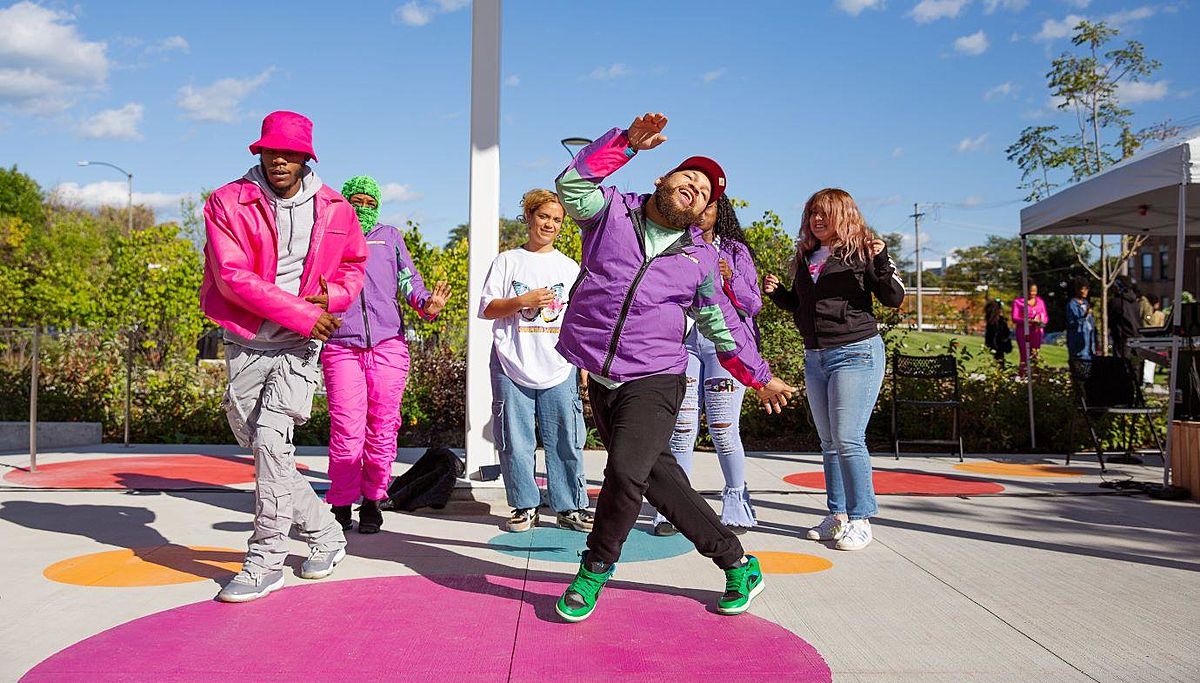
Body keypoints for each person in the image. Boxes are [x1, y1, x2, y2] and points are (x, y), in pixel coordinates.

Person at [551, 113, 795, 622]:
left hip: (657, 377)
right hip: (602, 376)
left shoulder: (700, 260)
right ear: (663, 179)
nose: (694, 187)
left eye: (705, 191)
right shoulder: (610, 213)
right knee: (658, 478)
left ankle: (594, 569)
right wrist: (624, 145)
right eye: (688, 176)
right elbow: (572, 183)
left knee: (622, 471)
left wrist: (759, 375)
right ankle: (737, 561)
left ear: (705, 211)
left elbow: (721, 325)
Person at [199, 111, 367, 603]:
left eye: (291, 153)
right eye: (271, 151)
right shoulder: (227, 202)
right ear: (259, 152)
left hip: (301, 343)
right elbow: (231, 276)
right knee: (261, 446)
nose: (280, 160)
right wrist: (301, 313)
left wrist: (334, 297)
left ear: (306, 157)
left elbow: (355, 265)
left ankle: (264, 558)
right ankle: (327, 533)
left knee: (273, 441)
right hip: (247, 338)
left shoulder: (336, 207)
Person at [764, 188, 905, 552]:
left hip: (855, 352)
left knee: (847, 438)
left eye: (825, 213)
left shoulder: (863, 252)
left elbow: (892, 298)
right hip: (816, 356)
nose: (816, 219)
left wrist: (882, 260)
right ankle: (838, 515)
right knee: (828, 443)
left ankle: (861, 519)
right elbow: (801, 306)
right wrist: (779, 293)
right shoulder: (807, 255)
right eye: (812, 213)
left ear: (844, 214)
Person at [321, 175, 451, 535]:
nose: (362, 206)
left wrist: (428, 304)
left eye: (368, 201)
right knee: (347, 429)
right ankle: (341, 502)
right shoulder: (328, 236)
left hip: (387, 345)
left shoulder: (389, 237)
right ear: (344, 202)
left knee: (382, 427)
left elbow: (410, 282)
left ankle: (373, 502)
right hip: (341, 346)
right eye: (355, 200)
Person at [479, 189, 592, 534]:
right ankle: (524, 506)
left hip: (559, 364)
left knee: (566, 438)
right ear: (529, 217)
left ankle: (570, 506)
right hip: (511, 362)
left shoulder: (569, 267)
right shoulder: (506, 261)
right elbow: (487, 308)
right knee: (515, 439)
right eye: (544, 216)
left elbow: (579, 319)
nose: (550, 224)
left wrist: (584, 365)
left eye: (557, 220)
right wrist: (522, 300)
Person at [653, 195, 763, 537]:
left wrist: (730, 278)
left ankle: (736, 503)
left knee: (723, 428)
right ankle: (674, 510)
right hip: (683, 347)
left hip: (725, 348)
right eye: (697, 207)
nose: (701, 214)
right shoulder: (674, 245)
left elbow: (753, 304)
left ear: (720, 212)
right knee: (681, 430)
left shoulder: (735, 250)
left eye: (709, 207)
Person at [1011, 282, 1048, 375]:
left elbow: (1045, 316)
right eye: (1031, 291)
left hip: (1036, 332)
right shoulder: (1018, 302)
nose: (1033, 293)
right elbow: (1015, 318)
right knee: (1024, 355)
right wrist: (1029, 321)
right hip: (1023, 332)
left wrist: (1041, 321)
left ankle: (1035, 376)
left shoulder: (1040, 302)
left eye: (1035, 291)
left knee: (1035, 354)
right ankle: (1023, 376)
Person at [1109, 275, 1141, 359]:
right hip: (1137, 340)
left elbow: (1110, 321)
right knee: (1135, 368)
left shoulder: (1116, 302)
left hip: (1122, 341)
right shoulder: (1135, 303)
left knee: (1121, 367)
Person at [1066, 279, 1095, 361]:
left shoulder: (1086, 303)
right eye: (1083, 289)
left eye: (1087, 289)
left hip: (1089, 345)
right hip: (1078, 344)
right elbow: (1072, 323)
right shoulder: (1072, 304)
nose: (1086, 291)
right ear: (1077, 289)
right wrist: (1085, 315)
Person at [1142, 294, 1165, 384]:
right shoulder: (1148, 312)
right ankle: (1147, 379)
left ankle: (1148, 379)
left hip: (1154, 339)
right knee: (1147, 359)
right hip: (1147, 338)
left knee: (1151, 360)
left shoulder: (1160, 314)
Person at [983, 298, 1012, 363]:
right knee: (999, 359)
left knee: (997, 359)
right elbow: (1006, 332)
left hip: (993, 343)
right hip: (999, 343)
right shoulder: (1000, 321)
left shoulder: (990, 320)